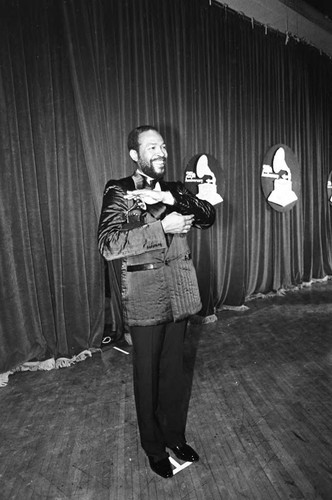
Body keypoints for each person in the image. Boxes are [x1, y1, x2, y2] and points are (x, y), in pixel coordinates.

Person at [98, 125, 215, 478]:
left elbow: (208, 216)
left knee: (174, 375)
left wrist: (170, 201)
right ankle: (153, 447)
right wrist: (162, 228)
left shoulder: (176, 189)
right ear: (135, 155)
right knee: (147, 377)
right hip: (145, 294)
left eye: (162, 146)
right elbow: (108, 244)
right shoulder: (119, 189)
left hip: (179, 290)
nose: (160, 152)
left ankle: (174, 437)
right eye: (152, 147)